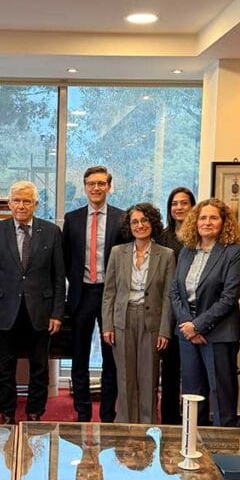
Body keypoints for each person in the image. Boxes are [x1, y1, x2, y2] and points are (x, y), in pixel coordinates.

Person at [0, 181, 64, 424]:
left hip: (40, 311)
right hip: (4, 310)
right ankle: (7, 412)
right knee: (4, 368)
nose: (21, 205)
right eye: (16, 200)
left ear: (35, 204)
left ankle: (35, 412)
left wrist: (57, 312)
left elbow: (59, 276)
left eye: (27, 201)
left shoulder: (51, 231)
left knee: (40, 368)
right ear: (9, 204)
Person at [169, 198, 240, 426]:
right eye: (202, 217)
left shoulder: (234, 253)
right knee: (192, 396)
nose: (207, 222)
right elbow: (175, 291)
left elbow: (229, 297)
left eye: (213, 218)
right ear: (195, 221)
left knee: (221, 396)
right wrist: (188, 325)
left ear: (224, 222)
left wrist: (198, 326)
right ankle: (193, 443)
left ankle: (223, 446)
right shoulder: (186, 251)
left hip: (219, 334)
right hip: (187, 334)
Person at [102, 203, 175, 424]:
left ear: (153, 223)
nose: (139, 225)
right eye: (134, 221)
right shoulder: (118, 253)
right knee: (125, 377)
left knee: (148, 377)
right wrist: (107, 325)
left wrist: (165, 330)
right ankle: (125, 425)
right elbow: (109, 292)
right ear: (129, 226)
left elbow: (168, 297)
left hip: (151, 322)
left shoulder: (166, 255)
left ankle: (148, 427)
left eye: (144, 220)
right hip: (122, 320)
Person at [62, 166, 123, 422]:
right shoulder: (72, 218)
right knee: (79, 358)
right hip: (82, 294)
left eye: (101, 183)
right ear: (85, 187)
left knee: (111, 358)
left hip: (111, 295)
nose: (96, 188)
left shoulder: (122, 218)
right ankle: (83, 412)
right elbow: (66, 257)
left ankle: (108, 414)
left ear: (109, 186)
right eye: (91, 184)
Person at [158, 186, 195, 424]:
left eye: (184, 203)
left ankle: (191, 422)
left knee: (192, 373)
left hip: (193, 312)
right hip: (168, 310)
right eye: (174, 203)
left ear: (193, 206)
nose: (179, 207)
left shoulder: (199, 236)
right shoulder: (162, 237)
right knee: (169, 370)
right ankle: (169, 421)